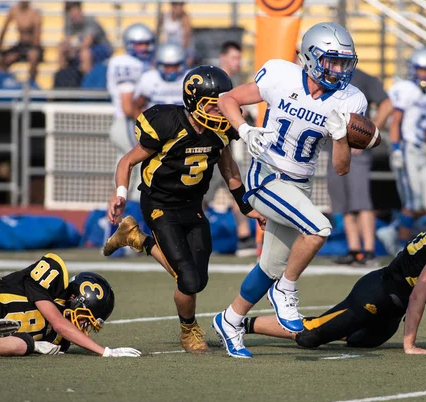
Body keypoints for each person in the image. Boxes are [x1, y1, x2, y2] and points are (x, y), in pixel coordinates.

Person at [212, 22, 367, 358]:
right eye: (332, 61)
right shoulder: (280, 75)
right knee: (320, 228)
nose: (339, 69)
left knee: (269, 266)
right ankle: (287, 289)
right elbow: (228, 99)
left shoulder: (350, 99)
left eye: (344, 62)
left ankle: (231, 318)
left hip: (299, 185)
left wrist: (340, 135)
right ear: (311, 57)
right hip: (265, 177)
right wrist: (244, 130)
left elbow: (341, 167)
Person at [104, 66, 265, 354]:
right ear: (194, 101)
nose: (218, 109)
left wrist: (245, 205)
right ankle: (188, 329)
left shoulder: (222, 129)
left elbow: (228, 165)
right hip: (160, 204)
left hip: (193, 205)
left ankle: (136, 238)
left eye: (221, 102)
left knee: (198, 280)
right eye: (211, 103)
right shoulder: (167, 122)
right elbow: (127, 162)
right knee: (188, 280)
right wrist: (119, 195)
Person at [241, 220, 426, 355]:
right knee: (311, 336)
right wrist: (409, 345)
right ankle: (238, 324)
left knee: (364, 340)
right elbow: (420, 293)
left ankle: (330, 327)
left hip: (392, 308)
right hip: (376, 295)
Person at [0, 253, 141, 358]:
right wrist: (106, 352)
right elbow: (58, 322)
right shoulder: (53, 276)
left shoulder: (60, 341)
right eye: (85, 317)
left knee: (22, 345)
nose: (83, 324)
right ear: (76, 299)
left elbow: (60, 329)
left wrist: (35, 346)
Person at [377, 47, 426, 256]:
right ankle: (403, 246)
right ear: (413, 69)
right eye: (422, 69)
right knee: (412, 201)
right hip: (405, 147)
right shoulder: (405, 88)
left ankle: (392, 229)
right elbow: (396, 121)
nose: (425, 74)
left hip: (419, 150)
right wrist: (395, 148)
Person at [328, 68, 394, 266]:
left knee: (361, 202)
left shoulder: (363, 78)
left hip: (356, 151)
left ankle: (369, 250)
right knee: (344, 204)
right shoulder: (324, 76)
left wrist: (370, 132)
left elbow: (387, 103)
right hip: (333, 149)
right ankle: (354, 249)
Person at [203, 40, 256, 257]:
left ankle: (244, 238)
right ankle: (191, 237)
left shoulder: (233, 82)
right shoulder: (212, 82)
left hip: (225, 147)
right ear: (223, 57)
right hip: (207, 147)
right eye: (234, 57)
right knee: (201, 196)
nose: (237, 62)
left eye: (239, 58)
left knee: (237, 188)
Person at [106, 23, 154, 202]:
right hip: (127, 123)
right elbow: (128, 106)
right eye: (139, 44)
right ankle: (131, 219)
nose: (144, 48)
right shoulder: (126, 63)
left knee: (123, 179)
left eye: (146, 43)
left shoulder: (141, 63)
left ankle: (114, 222)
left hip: (127, 123)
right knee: (138, 170)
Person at [58, 2, 113, 75]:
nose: (72, 15)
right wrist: (66, 48)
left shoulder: (91, 22)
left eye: (74, 12)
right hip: (81, 49)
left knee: (85, 53)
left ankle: (87, 81)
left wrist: (73, 51)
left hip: (102, 48)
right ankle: (63, 78)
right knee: (62, 49)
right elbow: (66, 41)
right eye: (70, 12)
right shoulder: (69, 24)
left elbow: (87, 42)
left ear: (80, 10)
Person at [0, 1, 42, 81]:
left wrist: (19, 54)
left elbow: (36, 39)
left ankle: (32, 82)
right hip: (20, 45)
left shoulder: (34, 13)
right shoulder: (14, 10)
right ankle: (4, 81)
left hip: (32, 46)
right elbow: (4, 30)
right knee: (0, 58)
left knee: (33, 55)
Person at [134, 42, 186, 111]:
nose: (171, 70)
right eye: (167, 66)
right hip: (155, 121)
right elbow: (137, 107)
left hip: (182, 121)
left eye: (175, 65)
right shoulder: (149, 78)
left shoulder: (189, 78)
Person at [157, 2, 193, 66]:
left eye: (181, 5)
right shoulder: (165, 16)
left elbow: (187, 37)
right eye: (177, 5)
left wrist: (186, 53)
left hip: (180, 50)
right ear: (173, 6)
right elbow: (159, 33)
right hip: (166, 48)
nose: (180, 8)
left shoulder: (185, 18)